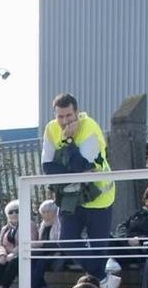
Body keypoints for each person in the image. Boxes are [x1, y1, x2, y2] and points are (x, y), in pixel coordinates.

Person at [40, 94, 116, 261]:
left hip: (99, 197)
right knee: (66, 241)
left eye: (69, 115)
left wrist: (68, 140)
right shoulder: (51, 129)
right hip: (71, 197)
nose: (65, 120)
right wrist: (75, 174)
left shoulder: (90, 127)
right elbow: (47, 167)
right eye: (60, 116)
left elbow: (80, 166)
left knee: (98, 252)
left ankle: (102, 278)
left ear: (77, 113)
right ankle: (104, 276)